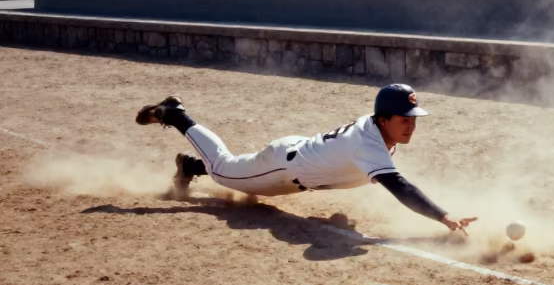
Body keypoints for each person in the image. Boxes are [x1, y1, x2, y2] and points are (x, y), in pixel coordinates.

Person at [134, 84, 477, 233]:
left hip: (294, 159)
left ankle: (191, 167)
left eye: (413, 118)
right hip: (282, 169)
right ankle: (176, 115)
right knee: (224, 168)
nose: (411, 126)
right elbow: (400, 187)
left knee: (236, 170)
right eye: (404, 119)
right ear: (384, 119)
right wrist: (443, 216)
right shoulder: (368, 144)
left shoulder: (376, 127)